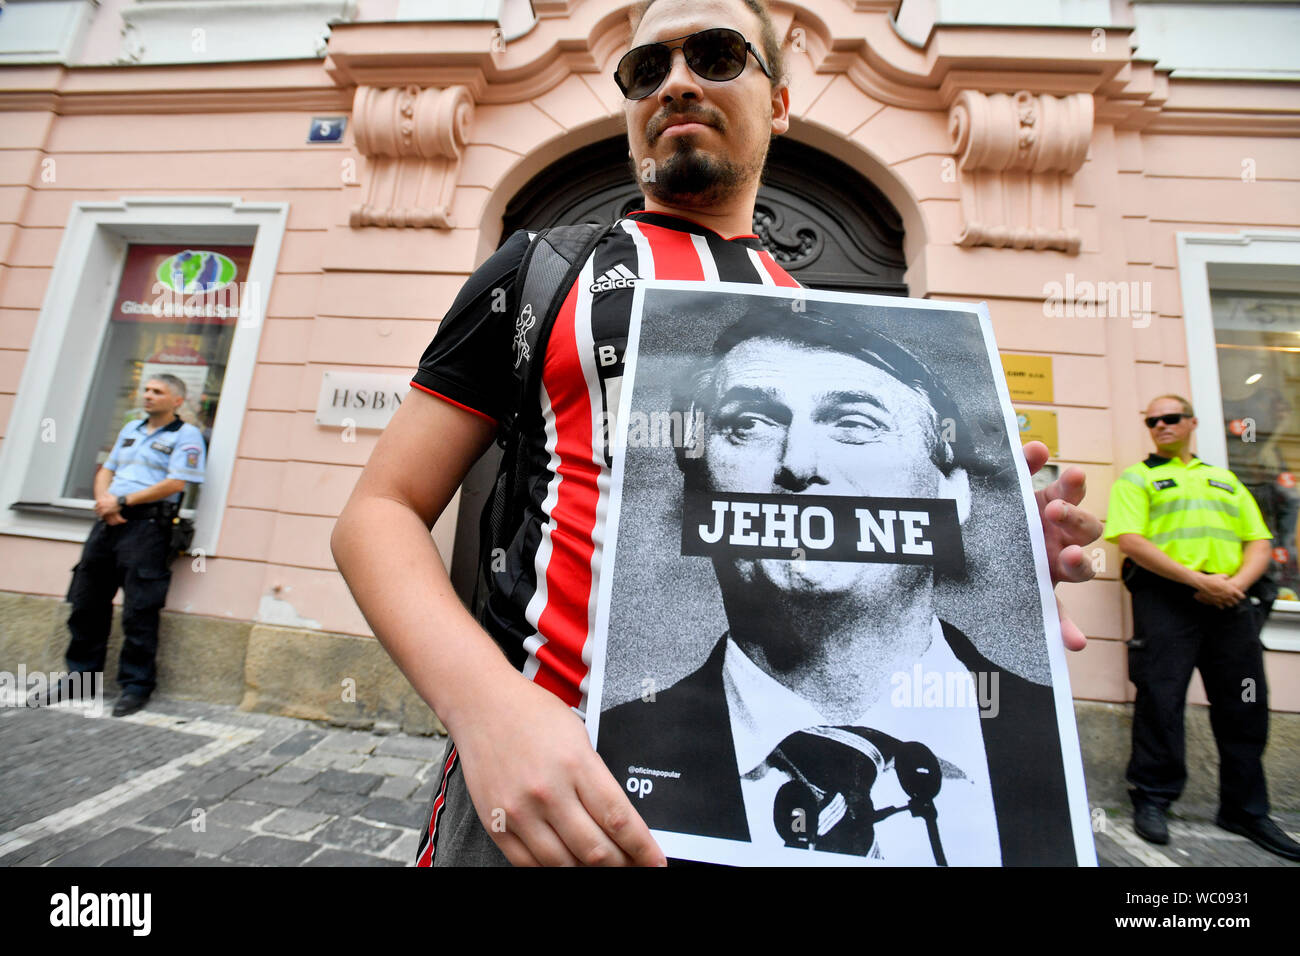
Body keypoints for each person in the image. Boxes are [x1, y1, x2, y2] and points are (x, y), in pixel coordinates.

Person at [332, 0, 1101, 867]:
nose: (678, 83)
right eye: (645, 69)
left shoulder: (819, 321)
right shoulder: (543, 268)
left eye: (716, 54)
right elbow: (380, 512)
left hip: (769, 799)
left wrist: (977, 540)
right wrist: (488, 710)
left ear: (777, 101)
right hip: (547, 783)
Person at [596, 305, 1076, 864]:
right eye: (747, 425)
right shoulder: (612, 752)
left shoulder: (1047, 739)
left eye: (855, 423)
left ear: (952, 494)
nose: (798, 465)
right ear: (698, 490)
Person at [1104, 394, 1300, 861]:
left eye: (1171, 418)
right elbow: (1130, 540)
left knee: (1245, 705)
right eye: (1152, 421)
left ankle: (1245, 810)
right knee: (1161, 698)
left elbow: (1259, 541)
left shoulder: (1226, 479)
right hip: (1168, 600)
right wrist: (1197, 580)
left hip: (1231, 603)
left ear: (1192, 422)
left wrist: (1233, 586)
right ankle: (1152, 799)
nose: (1161, 426)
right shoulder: (1139, 477)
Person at [40, 375, 207, 718]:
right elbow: (108, 469)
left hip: (147, 527)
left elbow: (177, 482)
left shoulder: (186, 435)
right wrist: (106, 501)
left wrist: (124, 501)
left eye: (157, 392)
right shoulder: (131, 427)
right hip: (108, 522)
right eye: (146, 389)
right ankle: (79, 678)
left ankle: (136, 686)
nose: (148, 395)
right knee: (87, 601)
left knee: (139, 610)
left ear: (177, 400)